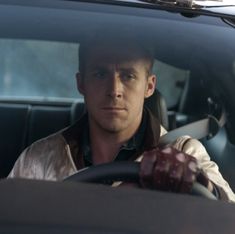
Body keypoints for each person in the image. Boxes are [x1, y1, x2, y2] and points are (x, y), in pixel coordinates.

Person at [8, 33, 235, 202]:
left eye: (127, 75)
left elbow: (228, 214)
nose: (114, 89)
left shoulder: (184, 152)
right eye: (100, 74)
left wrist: (199, 184)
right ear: (81, 83)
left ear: (149, 86)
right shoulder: (38, 161)